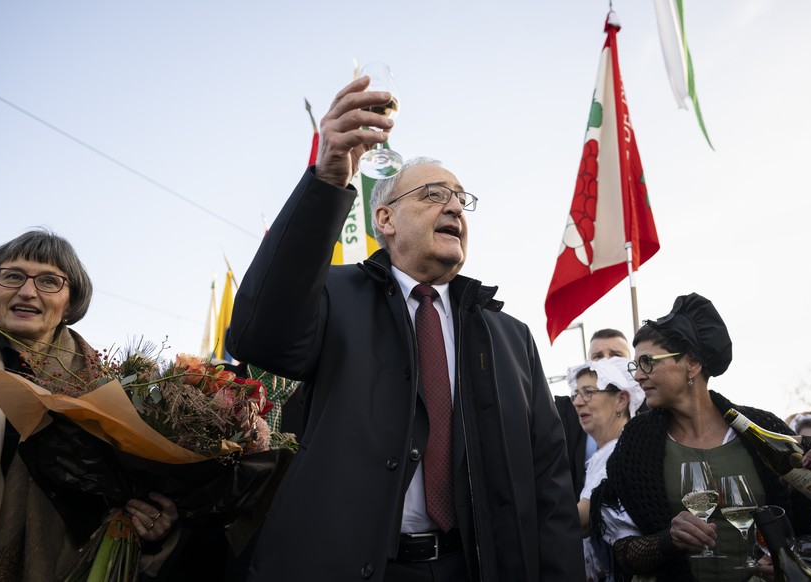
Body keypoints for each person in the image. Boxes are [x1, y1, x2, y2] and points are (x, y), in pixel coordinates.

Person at [226, 76, 583, 581]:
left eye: (462, 198)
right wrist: (327, 182)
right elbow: (258, 337)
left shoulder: (510, 338)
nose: (455, 206)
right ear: (385, 219)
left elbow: (549, 485)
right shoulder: (333, 295)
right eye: (434, 194)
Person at [0, 230, 178, 581]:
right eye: (12, 276)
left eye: (49, 281)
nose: (27, 291)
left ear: (71, 301)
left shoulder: (110, 393)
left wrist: (155, 529)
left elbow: (132, 506)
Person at [590, 292, 811, 582]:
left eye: (647, 361)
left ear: (692, 364)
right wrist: (668, 541)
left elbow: (810, 520)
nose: (638, 376)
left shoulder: (759, 427)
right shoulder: (636, 443)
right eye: (636, 365)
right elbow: (624, 550)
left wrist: (789, 558)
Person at [567, 357, 645, 581]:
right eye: (576, 394)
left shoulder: (622, 451)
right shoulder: (605, 452)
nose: (578, 402)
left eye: (589, 392)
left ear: (621, 400)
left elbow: (583, 520)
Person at [555, 329, 632, 496]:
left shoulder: (656, 414)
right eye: (598, 356)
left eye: (615, 355)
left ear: (622, 400)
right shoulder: (564, 415)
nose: (606, 361)